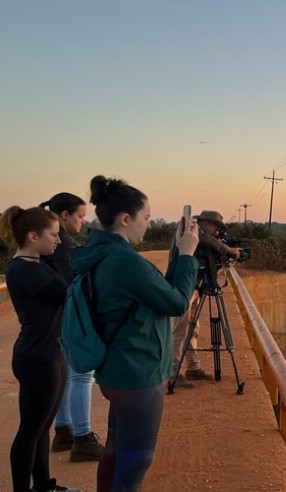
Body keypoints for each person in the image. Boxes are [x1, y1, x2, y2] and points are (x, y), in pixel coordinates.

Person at [69, 175, 199, 491]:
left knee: (116, 451)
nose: (149, 225)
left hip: (117, 370)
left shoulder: (100, 252)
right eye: (147, 217)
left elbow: (157, 291)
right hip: (138, 373)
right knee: (137, 460)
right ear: (126, 219)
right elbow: (177, 302)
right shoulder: (125, 261)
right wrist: (187, 256)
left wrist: (177, 253)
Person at [0, 206, 81, 492]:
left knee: (42, 427)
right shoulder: (23, 270)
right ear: (33, 236)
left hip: (50, 354)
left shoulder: (39, 264)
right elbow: (69, 293)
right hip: (38, 358)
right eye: (54, 235)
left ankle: (44, 485)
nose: (58, 241)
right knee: (29, 431)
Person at [40, 193, 105, 462]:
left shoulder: (53, 242)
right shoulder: (63, 244)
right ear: (64, 215)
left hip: (52, 319)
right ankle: (82, 437)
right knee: (81, 376)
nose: (82, 221)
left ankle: (64, 430)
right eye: (80, 215)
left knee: (68, 375)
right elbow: (75, 283)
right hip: (67, 318)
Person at [170, 210, 240, 389]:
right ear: (207, 224)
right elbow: (206, 239)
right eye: (216, 228)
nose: (216, 233)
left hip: (194, 288)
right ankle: (174, 373)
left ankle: (193, 368)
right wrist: (227, 250)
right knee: (179, 330)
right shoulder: (190, 230)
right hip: (182, 288)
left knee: (192, 327)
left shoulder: (197, 236)